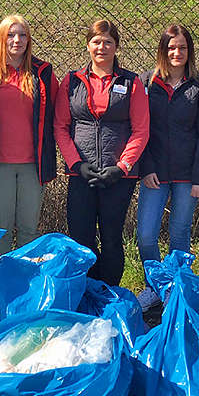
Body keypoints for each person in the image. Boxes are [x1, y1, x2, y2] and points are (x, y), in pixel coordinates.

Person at [54, 20, 149, 285]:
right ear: (88, 45)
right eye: (96, 41)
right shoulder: (71, 81)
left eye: (108, 42)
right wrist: (76, 164)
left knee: (111, 237)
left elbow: (141, 130)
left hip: (118, 176)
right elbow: (60, 127)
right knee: (81, 237)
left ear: (116, 47)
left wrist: (122, 167)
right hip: (81, 173)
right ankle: (86, 288)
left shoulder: (131, 83)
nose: (102, 47)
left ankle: (109, 293)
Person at [135, 24, 199, 309]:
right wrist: (145, 167)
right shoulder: (145, 82)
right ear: (162, 50)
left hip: (187, 175)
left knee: (180, 232)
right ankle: (155, 286)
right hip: (154, 172)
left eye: (182, 47)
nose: (177, 52)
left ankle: (178, 290)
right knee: (145, 234)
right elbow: (140, 128)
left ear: (189, 50)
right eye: (171, 47)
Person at [0, 15, 58, 257]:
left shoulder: (43, 72)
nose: (17, 40)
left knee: (28, 228)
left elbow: (57, 111)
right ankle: (1, 280)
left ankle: (25, 284)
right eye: (11, 34)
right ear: (2, 38)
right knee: (1, 226)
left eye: (22, 35)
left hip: (33, 164)